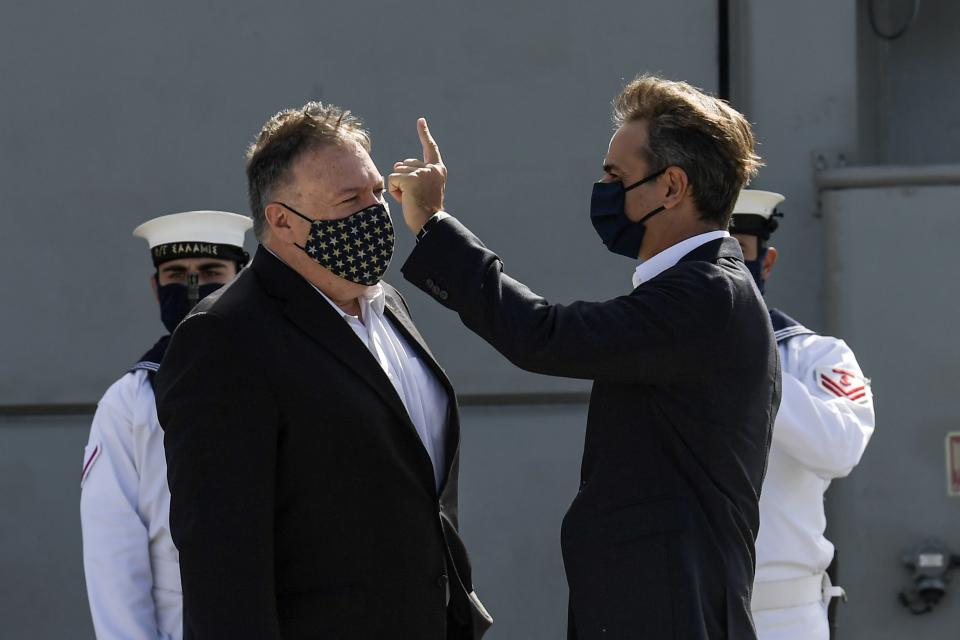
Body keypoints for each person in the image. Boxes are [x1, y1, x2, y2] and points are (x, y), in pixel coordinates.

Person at [389, 74, 780, 640]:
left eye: (615, 176)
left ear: (672, 186)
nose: (601, 187)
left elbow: (542, 334)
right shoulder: (702, 289)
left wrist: (433, 225)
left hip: (670, 614)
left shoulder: (705, 296)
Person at [154, 102, 491, 640]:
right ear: (282, 219)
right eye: (350, 199)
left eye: (378, 191)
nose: (376, 211)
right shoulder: (224, 338)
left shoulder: (389, 307)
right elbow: (223, 563)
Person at [80, 210, 252, 639]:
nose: (193, 286)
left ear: (243, 274)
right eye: (176, 273)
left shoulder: (289, 373)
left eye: (212, 271)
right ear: (156, 288)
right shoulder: (130, 401)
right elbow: (114, 557)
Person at [730, 189, 875, 640]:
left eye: (738, 252)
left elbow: (839, 448)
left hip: (784, 618)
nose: (723, 266)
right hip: (678, 608)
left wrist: (748, 354)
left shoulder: (816, 356)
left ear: (766, 263)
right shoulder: (661, 351)